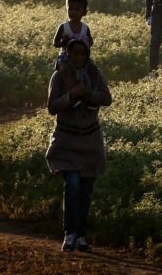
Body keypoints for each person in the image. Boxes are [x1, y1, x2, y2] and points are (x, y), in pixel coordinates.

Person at [46, 39, 112, 253]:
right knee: (73, 186)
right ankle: (70, 233)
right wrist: (72, 95)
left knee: (86, 191)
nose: (79, 58)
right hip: (67, 140)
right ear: (69, 54)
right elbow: (52, 106)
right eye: (75, 54)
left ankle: (81, 234)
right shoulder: (59, 77)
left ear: (87, 55)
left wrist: (89, 94)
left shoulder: (95, 74)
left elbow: (107, 98)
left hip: (90, 140)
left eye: (83, 55)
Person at [53, 0, 94, 68]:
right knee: (65, 69)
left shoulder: (85, 28)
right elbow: (55, 43)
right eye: (70, 9)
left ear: (84, 12)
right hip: (65, 56)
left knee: (93, 69)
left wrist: (85, 42)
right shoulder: (64, 27)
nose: (73, 12)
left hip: (82, 57)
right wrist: (63, 43)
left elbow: (91, 41)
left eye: (77, 10)